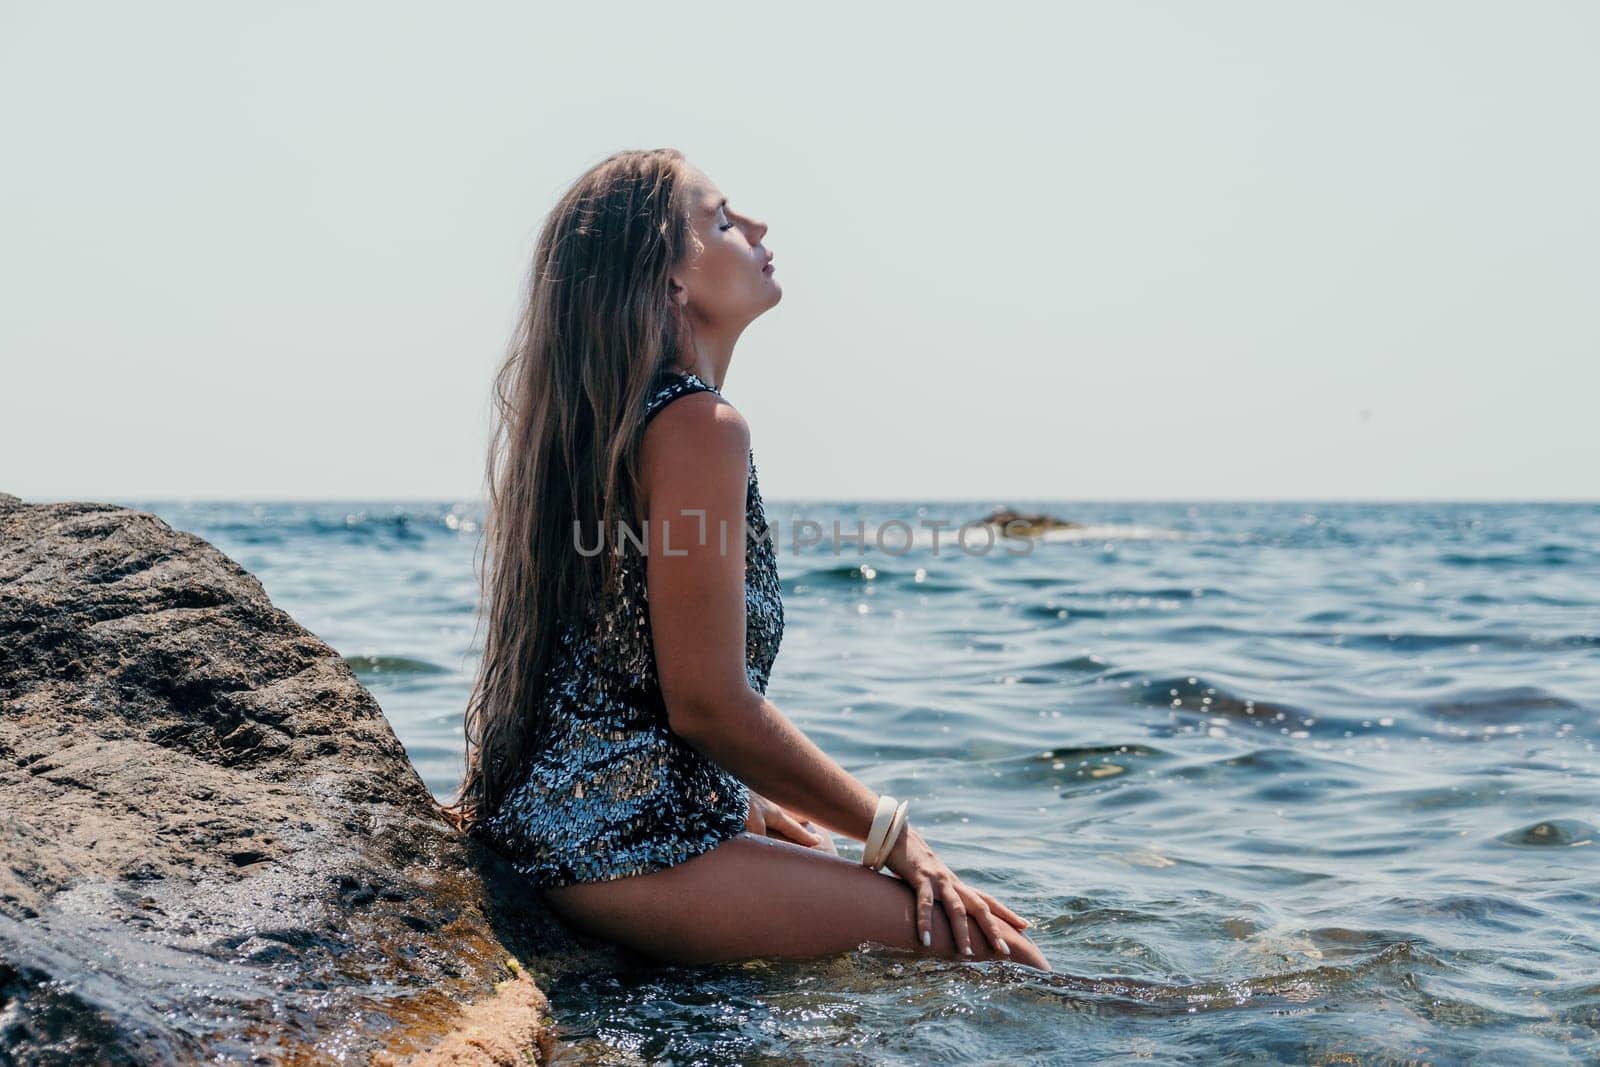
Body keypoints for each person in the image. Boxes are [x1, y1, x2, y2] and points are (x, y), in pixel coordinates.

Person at [439, 148, 1049, 972]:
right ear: (670, 284)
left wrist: (739, 798)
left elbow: (614, 678)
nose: (756, 227)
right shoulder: (697, 427)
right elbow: (709, 705)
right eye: (722, 220)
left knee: (859, 884)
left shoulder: (619, 423)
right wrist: (893, 833)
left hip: (576, 822)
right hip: (615, 845)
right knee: (980, 948)